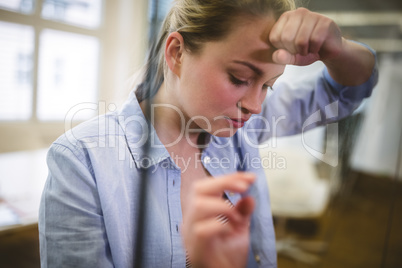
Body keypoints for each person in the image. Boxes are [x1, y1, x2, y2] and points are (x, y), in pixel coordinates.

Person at [38, 0, 378, 267]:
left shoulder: (237, 128)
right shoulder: (83, 161)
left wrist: (338, 49)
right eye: (239, 78)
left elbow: (345, 92)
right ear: (176, 53)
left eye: (268, 87)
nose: (256, 106)